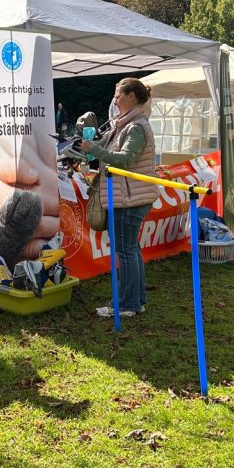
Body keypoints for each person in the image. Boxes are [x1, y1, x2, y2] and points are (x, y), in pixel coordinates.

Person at [79, 78, 157, 317]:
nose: (114, 99)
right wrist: (85, 147)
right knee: (130, 249)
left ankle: (126, 304)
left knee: (125, 251)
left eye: (118, 95)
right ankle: (136, 300)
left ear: (131, 96)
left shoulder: (135, 126)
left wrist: (93, 149)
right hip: (128, 196)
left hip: (129, 198)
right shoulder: (125, 124)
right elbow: (105, 149)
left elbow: (125, 159)